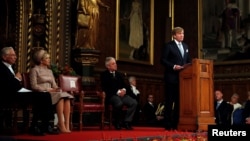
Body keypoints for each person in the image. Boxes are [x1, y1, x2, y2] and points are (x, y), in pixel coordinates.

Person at [0, 47, 57, 136]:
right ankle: (34, 126)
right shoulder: (1, 68)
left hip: (18, 92)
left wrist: (17, 81)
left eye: (15, 55)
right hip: (8, 95)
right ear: (4, 57)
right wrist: (16, 79)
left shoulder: (10, 67)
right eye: (13, 55)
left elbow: (14, 85)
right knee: (40, 96)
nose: (15, 57)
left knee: (45, 95)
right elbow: (7, 86)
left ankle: (46, 124)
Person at [29, 49, 74, 133]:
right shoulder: (34, 70)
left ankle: (66, 125)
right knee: (60, 97)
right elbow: (34, 86)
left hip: (52, 92)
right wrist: (48, 89)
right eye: (47, 58)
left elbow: (54, 85)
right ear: (41, 60)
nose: (49, 60)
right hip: (42, 94)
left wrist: (57, 89)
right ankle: (60, 123)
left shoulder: (50, 71)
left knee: (66, 97)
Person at [160, 27, 191, 130]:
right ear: (174, 35)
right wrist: (173, 66)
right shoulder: (169, 46)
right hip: (171, 78)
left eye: (183, 33)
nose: (182, 35)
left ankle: (176, 123)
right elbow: (163, 60)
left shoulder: (186, 46)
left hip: (183, 80)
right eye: (179, 34)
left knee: (179, 102)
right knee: (169, 101)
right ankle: (167, 124)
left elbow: (188, 60)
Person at [100, 57, 137, 130]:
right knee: (119, 103)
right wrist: (118, 92)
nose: (116, 65)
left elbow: (125, 85)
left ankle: (127, 122)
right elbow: (106, 88)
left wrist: (123, 90)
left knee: (134, 102)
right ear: (108, 66)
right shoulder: (104, 75)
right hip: (111, 96)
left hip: (122, 95)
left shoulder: (119, 74)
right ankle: (117, 122)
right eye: (113, 64)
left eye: (115, 63)